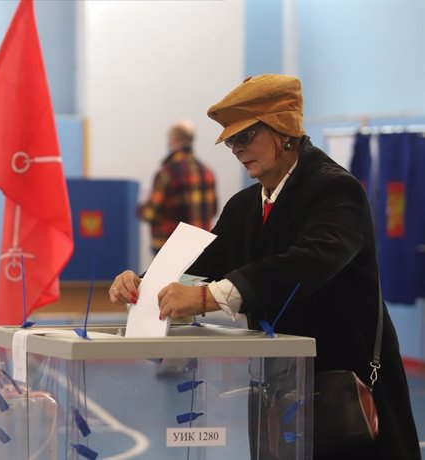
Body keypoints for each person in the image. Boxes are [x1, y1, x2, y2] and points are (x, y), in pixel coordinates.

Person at [110, 75, 421, 460]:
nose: (238, 150)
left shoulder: (335, 189)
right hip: (280, 386)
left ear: (285, 130)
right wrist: (142, 281)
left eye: (247, 137)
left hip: (345, 384)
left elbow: (308, 262)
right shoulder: (244, 205)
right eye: (231, 142)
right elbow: (203, 262)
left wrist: (208, 297)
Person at [138, 120, 217, 254]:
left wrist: (140, 209)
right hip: (199, 248)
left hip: (169, 248)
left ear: (173, 140)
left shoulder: (166, 173)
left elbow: (150, 213)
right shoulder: (207, 172)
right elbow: (213, 210)